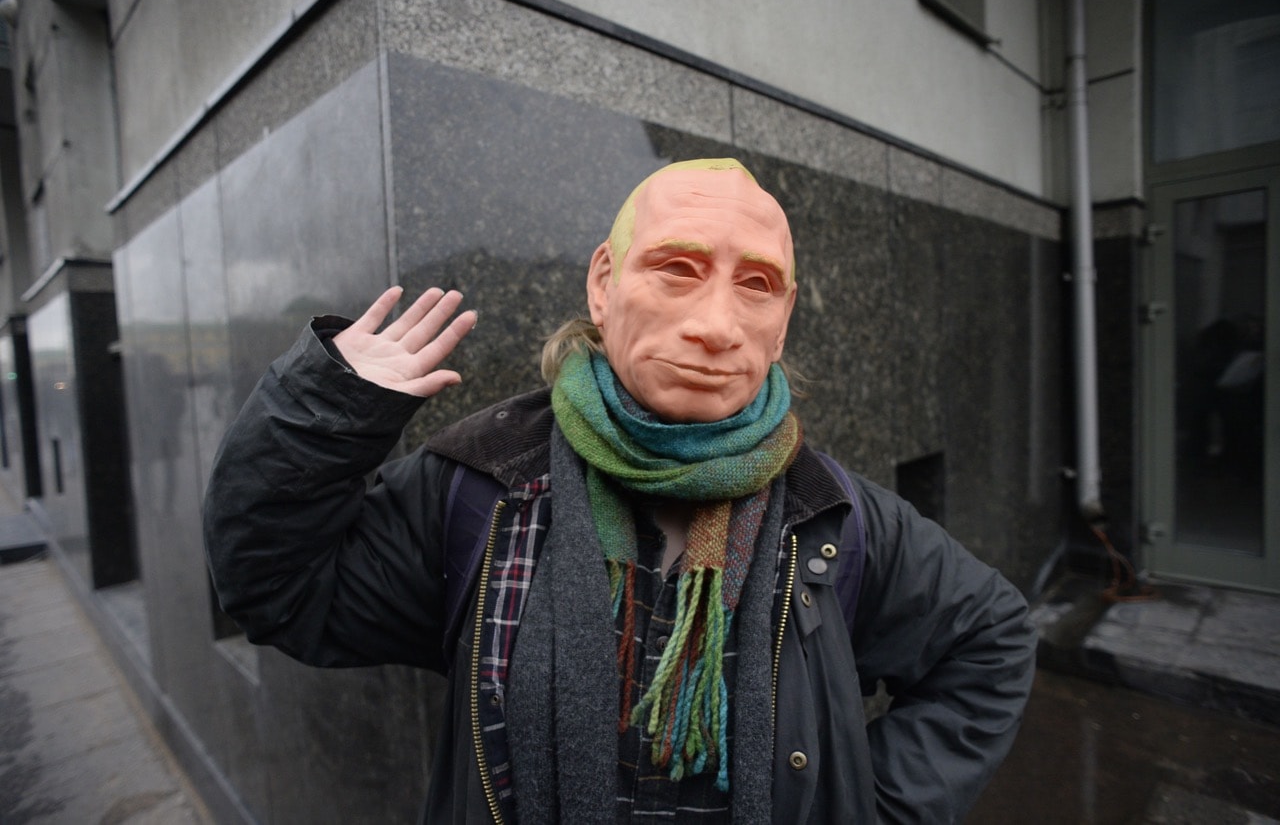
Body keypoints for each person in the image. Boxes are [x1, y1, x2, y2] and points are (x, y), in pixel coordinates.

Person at [204, 158, 1036, 824]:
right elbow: (279, 588)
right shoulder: (479, 490)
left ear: (782, 323)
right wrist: (324, 412)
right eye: (677, 268)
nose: (716, 323)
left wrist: (867, 805)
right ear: (603, 283)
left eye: (757, 285)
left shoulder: (837, 516)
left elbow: (990, 642)